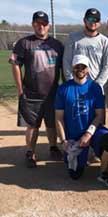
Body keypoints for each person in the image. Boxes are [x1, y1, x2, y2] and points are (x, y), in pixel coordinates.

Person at [8, 10, 64, 168]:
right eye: (37, 23)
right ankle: (30, 152)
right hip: (32, 93)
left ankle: (53, 147)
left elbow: (64, 69)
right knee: (32, 125)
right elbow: (15, 65)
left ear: (49, 25)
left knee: (52, 124)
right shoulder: (24, 43)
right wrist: (20, 90)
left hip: (53, 93)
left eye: (44, 24)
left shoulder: (57, 45)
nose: (41, 26)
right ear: (33, 25)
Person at [55, 54, 108, 186]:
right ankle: (85, 155)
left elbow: (99, 115)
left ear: (88, 69)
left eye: (83, 67)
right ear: (72, 68)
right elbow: (59, 117)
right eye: (77, 66)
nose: (80, 69)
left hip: (92, 131)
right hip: (73, 137)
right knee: (75, 175)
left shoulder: (95, 88)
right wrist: (63, 141)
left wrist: (88, 133)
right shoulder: (63, 89)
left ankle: (103, 172)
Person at [63, 8, 108, 90]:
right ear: (84, 20)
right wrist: (72, 82)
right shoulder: (72, 37)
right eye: (90, 18)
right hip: (75, 86)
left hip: (95, 88)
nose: (93, 22)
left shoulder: (105, 42)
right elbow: (67, 61)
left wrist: (98, 84)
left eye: (96, 20)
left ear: (99, 23)